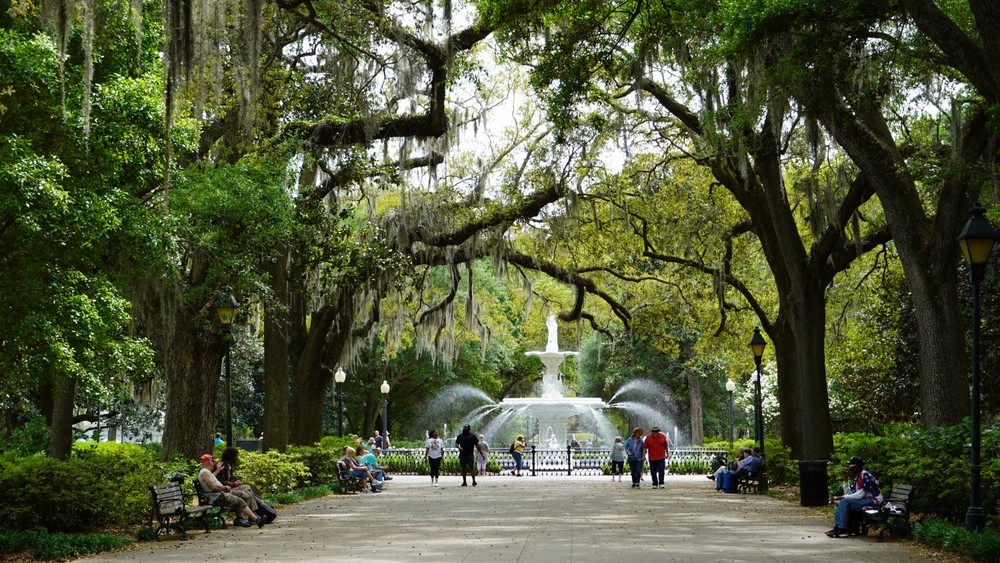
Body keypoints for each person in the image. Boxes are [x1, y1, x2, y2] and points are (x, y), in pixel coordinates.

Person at [198, 454, 264, 528]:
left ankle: (240, 519)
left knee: (245, 495)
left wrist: (217, 471)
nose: (213, 464)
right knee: (239, 501)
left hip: (220, 493)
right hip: (216, 496)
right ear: (209, 462)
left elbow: (211, 478)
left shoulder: (206, 472)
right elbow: (213, 487)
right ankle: (257, 519)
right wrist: (225, 488)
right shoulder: (205, 473)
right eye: (213, 462)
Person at [827, 456, 882, 538]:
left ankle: (842, 529)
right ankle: (837, 527)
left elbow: (859, 495)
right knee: (843, 501)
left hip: (873, 501)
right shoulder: (858, 477)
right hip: (864, 500)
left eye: (850, 465)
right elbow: (850, 493)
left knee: (844, 501)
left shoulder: (865, 475)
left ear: (856, 466)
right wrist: (845, 479)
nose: (849, 467)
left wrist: (842, 497)